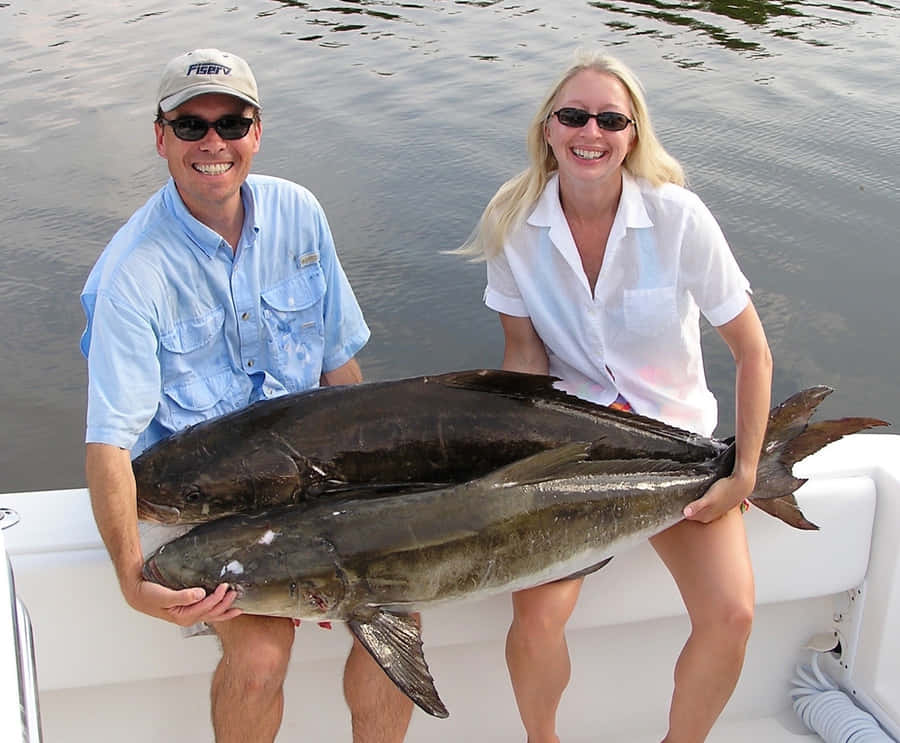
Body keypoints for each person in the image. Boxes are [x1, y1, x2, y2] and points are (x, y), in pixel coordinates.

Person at [80, 48, 414, 743]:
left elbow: (339, 375)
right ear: (161, 136)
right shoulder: (131, 274)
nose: (213, 143)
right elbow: (110, 443)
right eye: (191, 125)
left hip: (312, 487)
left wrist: (370, 498)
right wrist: (130, 576)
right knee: (262, 656)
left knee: (395, 629)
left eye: (231, 123)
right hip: (202, 503)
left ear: (256, 132)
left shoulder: (300, 214)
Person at [460, 51, 773, 743]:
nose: (589, 132)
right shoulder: (511, 219)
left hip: (675, 451)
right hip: (572, 451)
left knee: (733, 612)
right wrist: (500, 465)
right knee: (536, 618)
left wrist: (745, 470)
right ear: (548, 128)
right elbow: (525, 359)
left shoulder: (678, 217)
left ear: (634, 135)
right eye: (573, 116)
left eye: (610, 119)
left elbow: (752, 350)